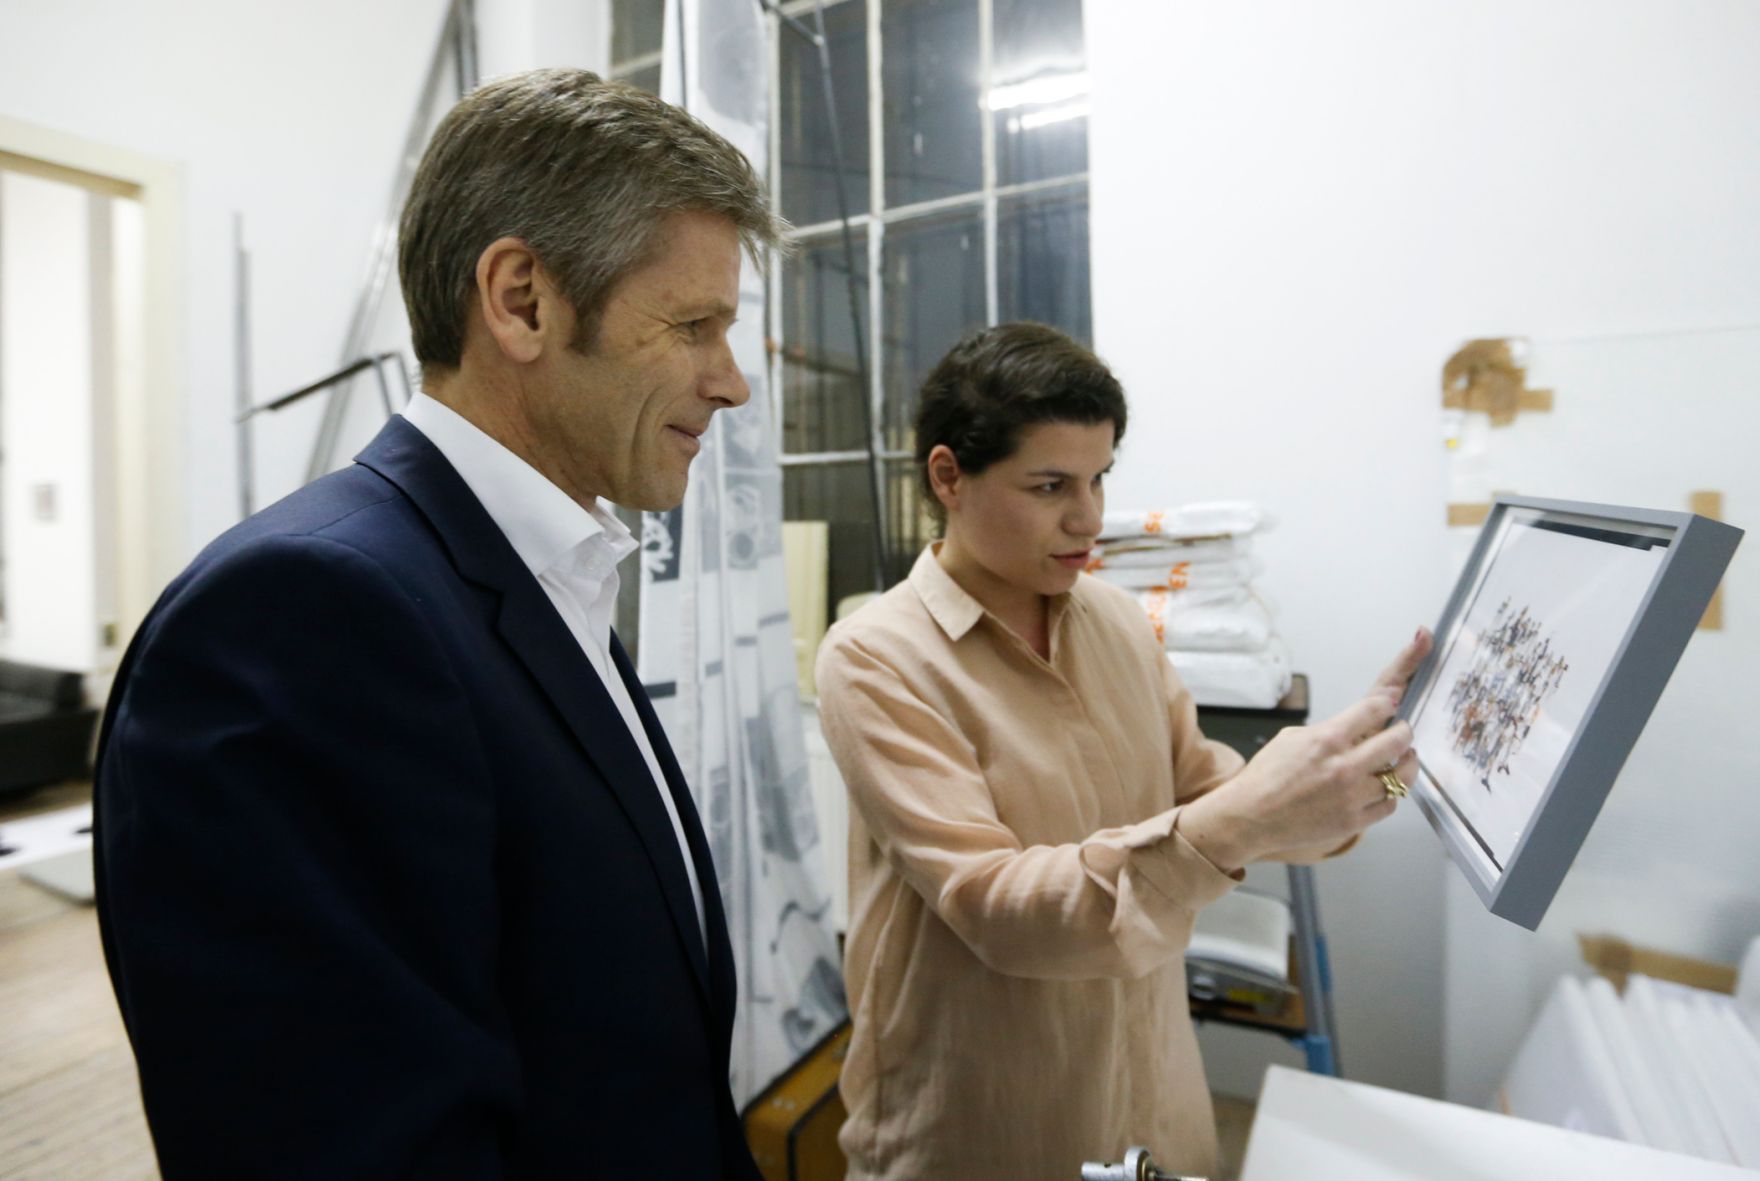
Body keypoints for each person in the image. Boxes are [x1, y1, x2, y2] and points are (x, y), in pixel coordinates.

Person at [94, 69, 776, 1178]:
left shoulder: (530, 572)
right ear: (520, 300)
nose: (730, 380)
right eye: (693, 324)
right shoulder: (305, 618)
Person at [814, 322, 1430, 1180]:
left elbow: (1211, 788)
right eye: (1051, 484)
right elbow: (994, 905)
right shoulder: (876, 656)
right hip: (984, 1122)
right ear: (948, 476)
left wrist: (1366, 774)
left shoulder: (1111, 618)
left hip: (1153, 1101)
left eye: (1100, 478)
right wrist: (1239, 821)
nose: (1090, 517)